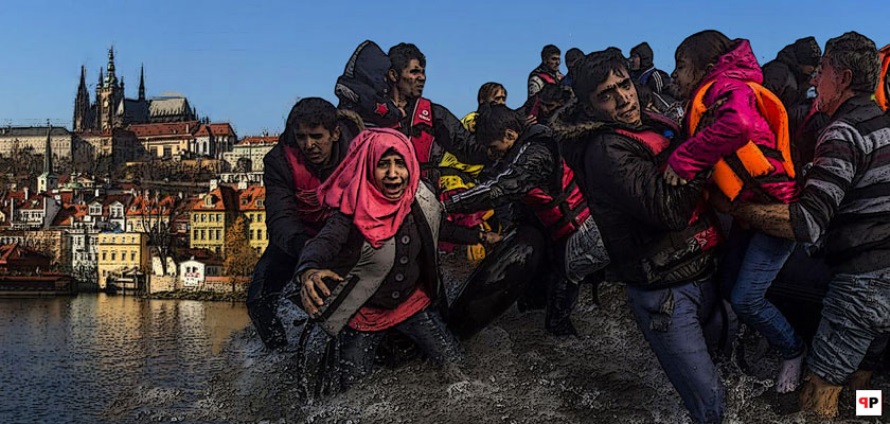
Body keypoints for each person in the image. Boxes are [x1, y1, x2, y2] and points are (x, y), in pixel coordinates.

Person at [554, 48, 726, 424]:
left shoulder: (650, 120)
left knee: (725, 382)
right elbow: (669, 210)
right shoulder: (605, 150)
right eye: (607, 94)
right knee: (710, 407)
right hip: (665, 295)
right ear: (588, 106)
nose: (624, 99)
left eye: (625, 85)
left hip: (704, 272)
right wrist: (703, 145)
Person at [727, 32, 890, 419]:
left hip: (862, 286)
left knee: (819, 392)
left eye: (822, 72)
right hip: (887, 281)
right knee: (862, 379)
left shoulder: (842, 132)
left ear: (844, 78)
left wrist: (739, 209)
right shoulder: (884, 123)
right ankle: (867, 417)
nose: (815, 81)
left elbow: (807, 223)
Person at [296, 128, 496, 389]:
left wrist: (478, 237)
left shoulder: (419, 202)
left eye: (400, 163)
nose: (393, 174)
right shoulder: (351, 212)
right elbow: (325, 241)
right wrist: (308, 270)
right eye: (383, 165)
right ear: (369, 168)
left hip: (411, 305)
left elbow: (438, 228)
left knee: (457, 369)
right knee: (350, 394)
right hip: (365, 316)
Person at [667, 30, 804, 393]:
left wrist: (682, 160)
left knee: (745, 298)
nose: (675, 75)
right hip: (749, 208)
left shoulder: (727, 87)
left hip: (776, 212)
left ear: (706, 68)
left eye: (680, 67)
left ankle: (793, 350)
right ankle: (758, 337)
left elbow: (738, 124)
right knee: (727, 285)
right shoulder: (714, 92)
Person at [445, 104, 607, 336]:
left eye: (494, 148)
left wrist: (449, 205)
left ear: (510, 134)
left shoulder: (537, 152)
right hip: (559, 237)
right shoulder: (518, 152)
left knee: (557, 323)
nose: (494, 154)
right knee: (531, 303)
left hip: (581, 239)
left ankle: (576, 352)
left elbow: (503, 187)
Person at [247, 97, 362, 350]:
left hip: (347, 238)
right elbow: (280, 219)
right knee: (258, 300)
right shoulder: (279, 162)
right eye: (301, 137)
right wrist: (308, 253)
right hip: (298, 240)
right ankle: (280, 356)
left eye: (316, 136)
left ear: (335, 134)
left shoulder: (359, 152)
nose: (308, 145)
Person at [762, 37, 822, 110]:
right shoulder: (779, 71)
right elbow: (764, 99)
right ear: (802, 60)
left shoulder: (803, 79)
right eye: (811, 63)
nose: (813, 69)